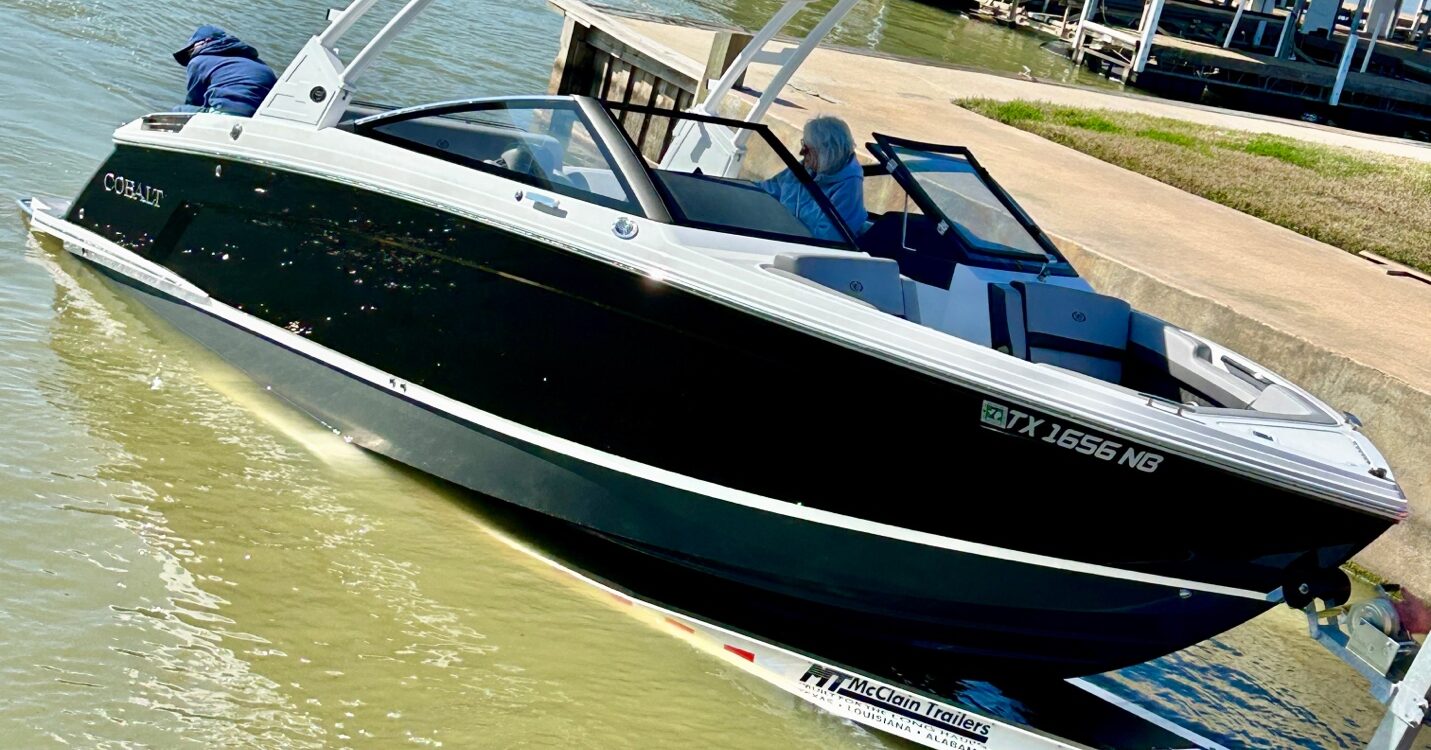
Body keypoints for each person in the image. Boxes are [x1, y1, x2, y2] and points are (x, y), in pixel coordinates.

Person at [758, 115, 867, 242]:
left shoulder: (848, 188)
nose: (801, 152)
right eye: (803, 144)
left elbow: (826, 239)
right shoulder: (806, 168)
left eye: (807, 148)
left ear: (827, 152)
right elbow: (767, 189)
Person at [172, 25, 278, 118]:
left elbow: (194, 100)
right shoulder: (258, 63)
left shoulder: (198, 61)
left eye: (192, 48)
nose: (191, 54)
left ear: (207, 41)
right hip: (259, 116)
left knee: (178, 111)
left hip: (226, 115)